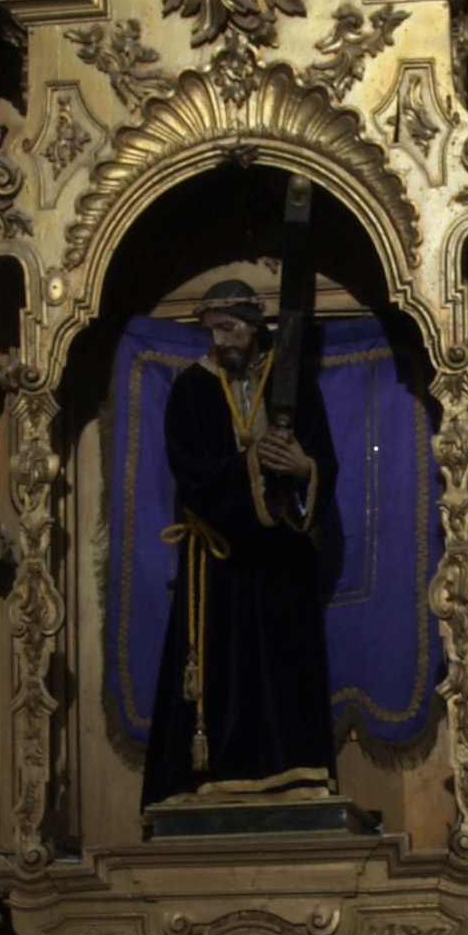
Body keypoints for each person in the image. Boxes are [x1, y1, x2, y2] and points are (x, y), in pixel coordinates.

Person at [141, 279, 338, 808]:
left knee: (284, 670)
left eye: (228, 328)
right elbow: (191, 472)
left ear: (254, 327)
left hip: (281, 562)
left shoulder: (293, 383)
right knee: (219, 673)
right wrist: (251, 466)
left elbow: (323, 459)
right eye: (211, 331)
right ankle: (214, 780)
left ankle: (295, 775)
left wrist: (302, 468)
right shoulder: (191, 389)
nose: (220, 341)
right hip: (218, 565)